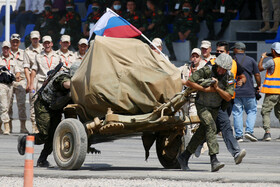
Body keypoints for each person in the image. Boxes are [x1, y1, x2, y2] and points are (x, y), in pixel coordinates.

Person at [177, 53, 234, 172]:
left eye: (224, 69)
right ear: (216, 64)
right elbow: (190, 82)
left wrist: (217, 88)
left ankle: (184, 157)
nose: (221, 71)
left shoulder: (229, 77)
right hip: (202, 105)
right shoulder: (207, 70)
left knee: (201, 133)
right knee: (210, 126)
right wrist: (204, 89)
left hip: (215, 108)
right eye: (220, 67)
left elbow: (228, 97)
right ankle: (214, 160)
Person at [17, 62, 81, 167]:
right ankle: (25, 139)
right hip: (44, 106)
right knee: (44, 135)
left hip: (56, 108)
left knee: (54, 135)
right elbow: (66, 84)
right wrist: (80, 82)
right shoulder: (62, 77)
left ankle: (42, 160)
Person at [201, 41, 247, 164]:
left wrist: (241, 81)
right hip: (214, 101)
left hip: (228, 100)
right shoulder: (211, 64)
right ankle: (236, 152)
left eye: (221, 51)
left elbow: (242, 76)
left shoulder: (234, 64)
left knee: (215, 127)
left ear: (227, 53)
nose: (219, 53)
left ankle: (195, 145)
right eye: (217, 51)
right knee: (225, 125)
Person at [232, 42, 261, 142]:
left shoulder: (232, 60)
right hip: (249, 91)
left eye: (233, 49)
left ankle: (239, 136)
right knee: (252, 111)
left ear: (236, 49)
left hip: (236, 91)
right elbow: (257, 74)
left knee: (237, 113)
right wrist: (258, 85)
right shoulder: (251, 60)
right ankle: (249, 131)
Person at [258, 42, 280, 141]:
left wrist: (262, 57)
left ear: (273, 51)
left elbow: (260, 68)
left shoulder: (272, 61)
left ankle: (267, 133)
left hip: (272, 91)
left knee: (265, 111)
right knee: (279, 113)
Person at [23, 31, 44, 133]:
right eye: (33, 38)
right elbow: (26, 68)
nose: (35, 40)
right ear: (31, 39)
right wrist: (29, 83)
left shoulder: (44, 48)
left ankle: (43, 125)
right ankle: (34, 125)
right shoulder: (27, 51)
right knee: (33, 101)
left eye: (36, 38)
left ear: (39, 38)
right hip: (33, 79)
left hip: (43, 78)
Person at [8, 33, 29, 134]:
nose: (15, 43)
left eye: (17, 41)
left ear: (19, 42)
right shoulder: (6, 52)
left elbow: (27, 68)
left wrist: (28, 82)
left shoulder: (24, 53)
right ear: (10, 42)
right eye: (13, 41)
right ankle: (9, 126)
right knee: (8, 105)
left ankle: (23, 126)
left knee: (22, 105)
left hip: (21, 82)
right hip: (9, 82)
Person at [0, 41, 20, 135]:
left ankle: (0, 126)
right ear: (2, 48)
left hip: (10, 85)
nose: (6, 50)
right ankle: (6, 126)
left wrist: (16, 76)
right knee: (3, 106)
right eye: (4, 48)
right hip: (1, 85)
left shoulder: (13, 59)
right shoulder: (0, 59)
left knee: (7, 106)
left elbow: (18, 71)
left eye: (7, 48)